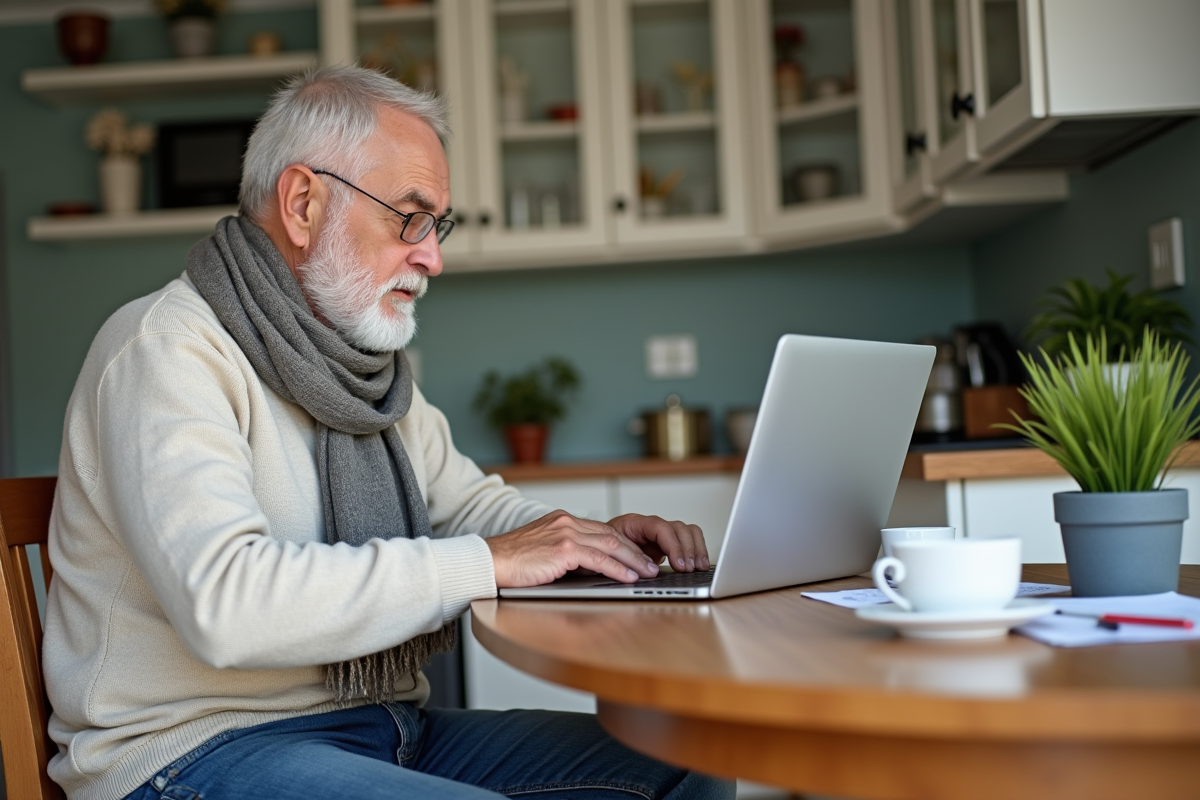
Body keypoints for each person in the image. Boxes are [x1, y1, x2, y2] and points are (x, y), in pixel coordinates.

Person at [42, 66, 733, 800]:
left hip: (384, 727)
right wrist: (491, 562)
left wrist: (587, 543)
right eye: (410, 217)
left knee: (688, 763)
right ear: (303, 204)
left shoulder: (365, 369)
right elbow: (225, 605)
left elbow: (467, 509)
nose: (433, 256)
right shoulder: (165, 349)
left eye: (438, 225)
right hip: (190, 752)